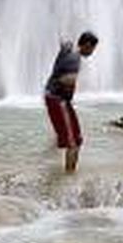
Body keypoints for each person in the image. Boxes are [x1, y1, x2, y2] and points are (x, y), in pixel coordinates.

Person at [44, 31, 99, 173]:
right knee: (73, 142)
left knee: (76, 139)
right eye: (93, 48)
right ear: (87, 45)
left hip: (57, 99)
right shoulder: (74, 58)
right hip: (58, 99)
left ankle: (51, 158)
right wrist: (73, 80)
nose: (93, 52)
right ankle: (69, 177)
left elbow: (64, 44)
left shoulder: (69, 50)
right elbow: (66, 79)